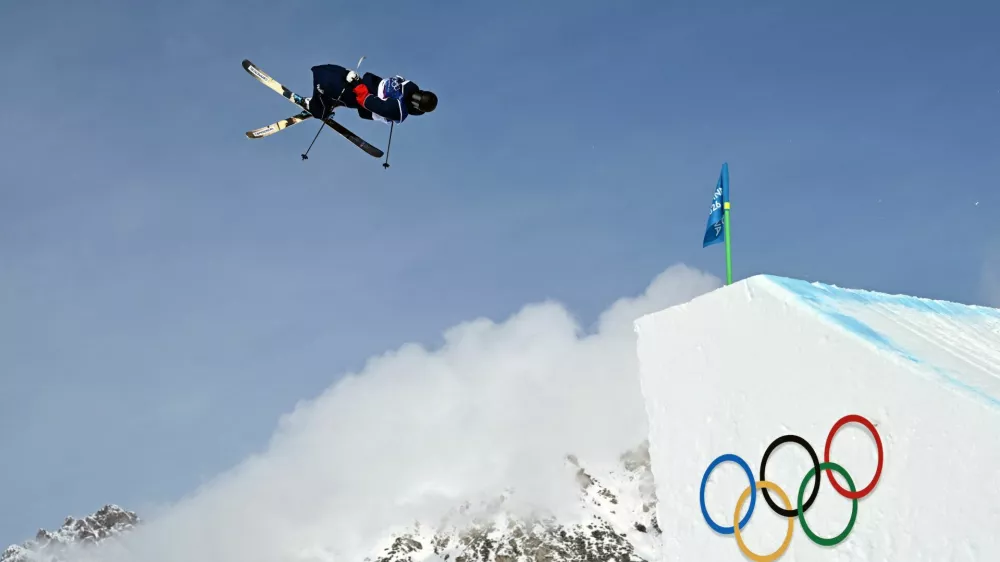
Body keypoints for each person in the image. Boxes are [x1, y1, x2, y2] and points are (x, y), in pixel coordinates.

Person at [305, 63, 437, 124]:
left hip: (365, 96)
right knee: (332, 72)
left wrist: (358, 85)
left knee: (326, 80)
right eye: (419, 95)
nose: (415, 97)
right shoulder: (409, 87)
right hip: (369, 85)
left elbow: (370, 102)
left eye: (417, 100)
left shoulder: (398, 109)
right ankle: (327, 101)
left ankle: (318, 109)